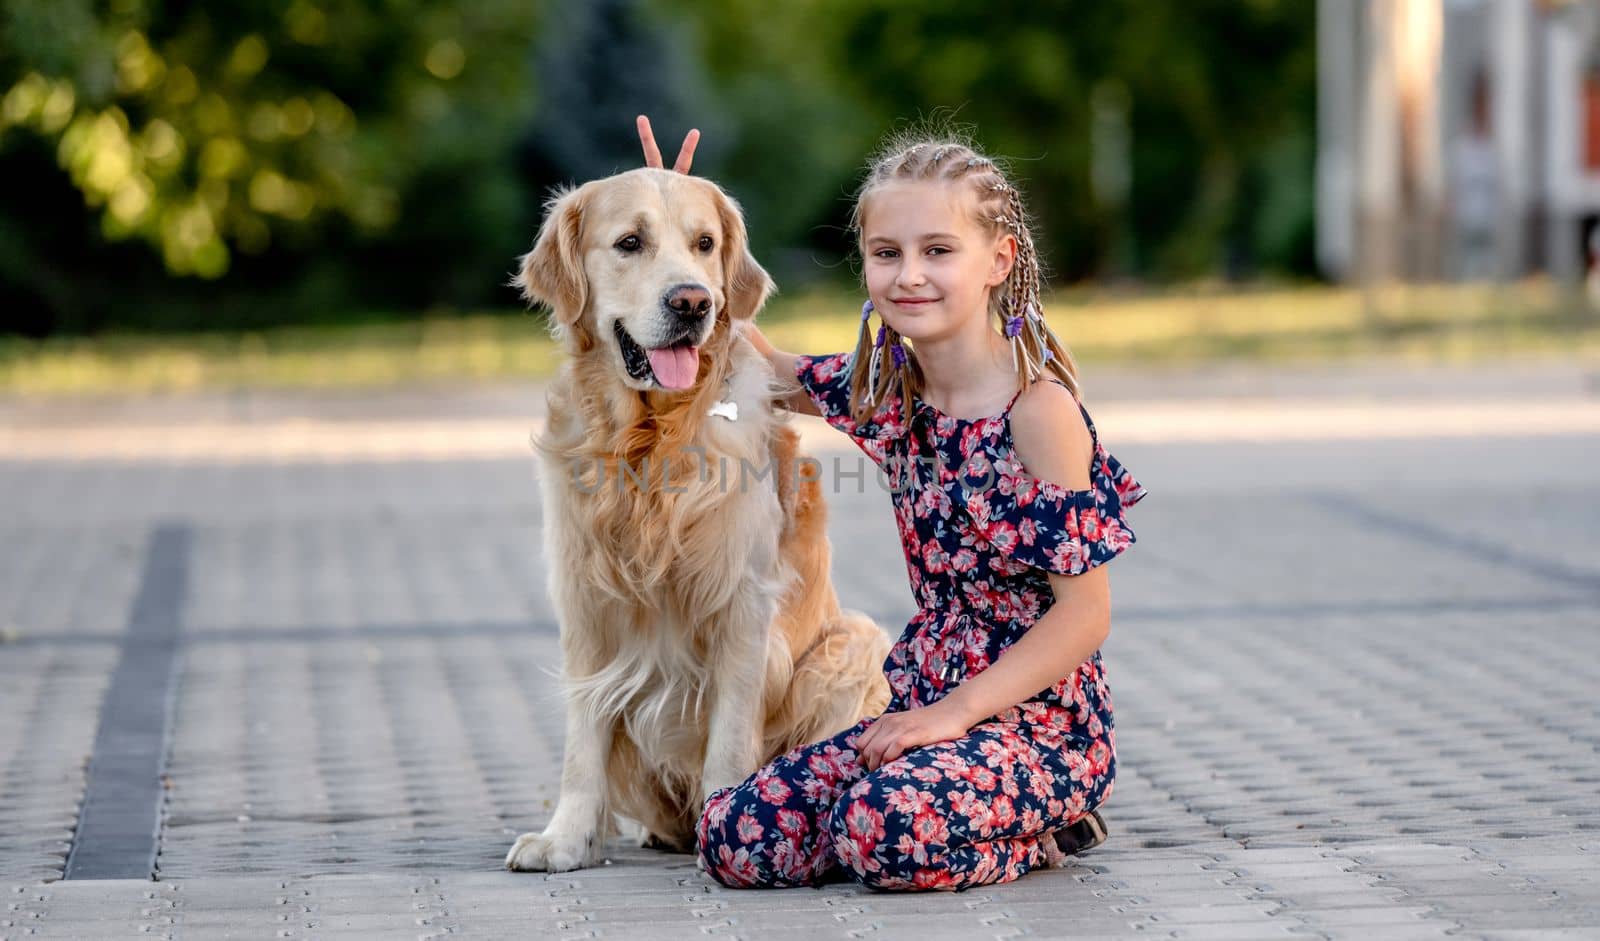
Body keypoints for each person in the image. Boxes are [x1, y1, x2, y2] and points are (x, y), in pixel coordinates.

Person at [637, 117, 1147, 892]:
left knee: (885, 824)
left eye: (938, 250)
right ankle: (920, 819)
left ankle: (1036, 825)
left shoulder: (1039, 412)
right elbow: (763, 366)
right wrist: (679, 225)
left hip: (1041, 728)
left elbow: (1085, 615)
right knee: (735, 834)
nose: (910, 274)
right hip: (921, 709)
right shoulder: (888, 392)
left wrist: (955, 714)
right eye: (887, 253)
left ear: (997, 261)